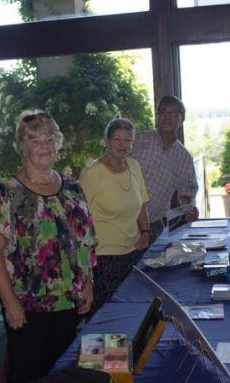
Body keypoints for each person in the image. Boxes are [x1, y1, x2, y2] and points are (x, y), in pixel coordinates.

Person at [0, 110, 97, 383]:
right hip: (27, 306)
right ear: (23, 148)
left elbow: (85, 241)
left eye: (49, 139)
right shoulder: (7, 190)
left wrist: (88, 283)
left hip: (69, 302)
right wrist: (10, 303)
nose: (44, 146)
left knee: (60, 372)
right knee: (26, 374)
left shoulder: (73, 187)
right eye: (35, 141)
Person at [79, 118, 150, 314]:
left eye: (128, 140)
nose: (122, 145)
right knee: (106, 316)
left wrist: (145, 232)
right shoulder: (92, 174)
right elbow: (79, 219)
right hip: (104, 258)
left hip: (133, 252)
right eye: (117, 139)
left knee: (131, 312)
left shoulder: (134, 166)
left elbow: (141, 204)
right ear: (107, 141)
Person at [132, 95, 199, 243]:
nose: (167, 117)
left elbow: (187, 194)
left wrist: (190, 210)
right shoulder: (137, 141)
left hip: (153, 226)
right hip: (121, 221)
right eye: (163, 112)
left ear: (182, 119)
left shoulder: (184, 158)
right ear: (156, 117)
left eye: (173, 113)